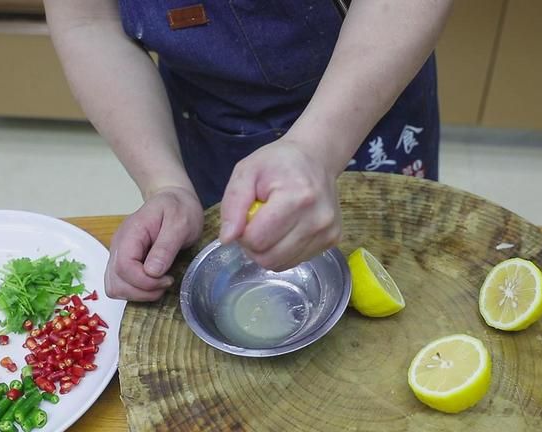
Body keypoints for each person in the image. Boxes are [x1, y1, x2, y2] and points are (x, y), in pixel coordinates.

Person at [44, 0, 452, 301]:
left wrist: (317, 147)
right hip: (213, 119)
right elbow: (88, 21)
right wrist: (164, 183)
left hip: (367, 90)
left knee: (399, 280)